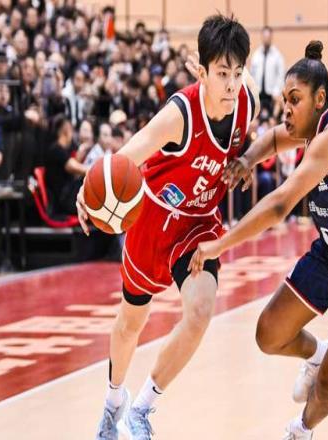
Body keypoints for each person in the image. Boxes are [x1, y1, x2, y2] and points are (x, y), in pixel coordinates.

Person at [189, 40, 328, 440]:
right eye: (284, 101)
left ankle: (301, 430)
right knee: (269, 333)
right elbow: (275, 139)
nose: (286, 110)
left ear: (320, 99)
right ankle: (317, 353)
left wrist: (220, 243)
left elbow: (279, 206)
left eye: (295, 100)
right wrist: (247, 160)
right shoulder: (308, 129)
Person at [76, 14, 259, 439]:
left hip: (199, 224)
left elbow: (241, 125)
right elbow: (128, 154)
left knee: (200, 312)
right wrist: (88, 189)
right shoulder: (180, 114)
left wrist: (245, 161)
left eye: (237, 74)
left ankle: (141, 410)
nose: (231, 84)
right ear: (202, 72)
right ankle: (113, 402)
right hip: (153, 222)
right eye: (222, 74)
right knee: (130, 324)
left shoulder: (244, 104)